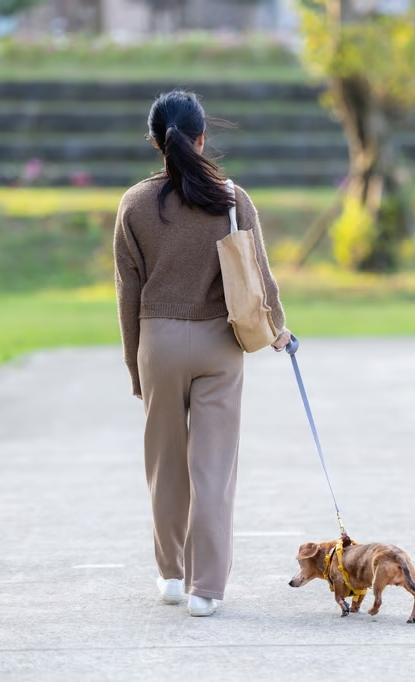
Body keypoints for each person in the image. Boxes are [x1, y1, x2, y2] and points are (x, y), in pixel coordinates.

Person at [114, 91, 291, 617]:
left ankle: (171, 575)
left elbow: (128, 294)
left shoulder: (134, 204)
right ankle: (205, 589)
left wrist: (135, 366)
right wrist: (277, 329)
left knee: (165, 465)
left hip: (158, 343)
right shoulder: (231, 198)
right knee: (212, 469)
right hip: (220, 344)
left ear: (154, 142)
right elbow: (257, 274)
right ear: (201, 139)